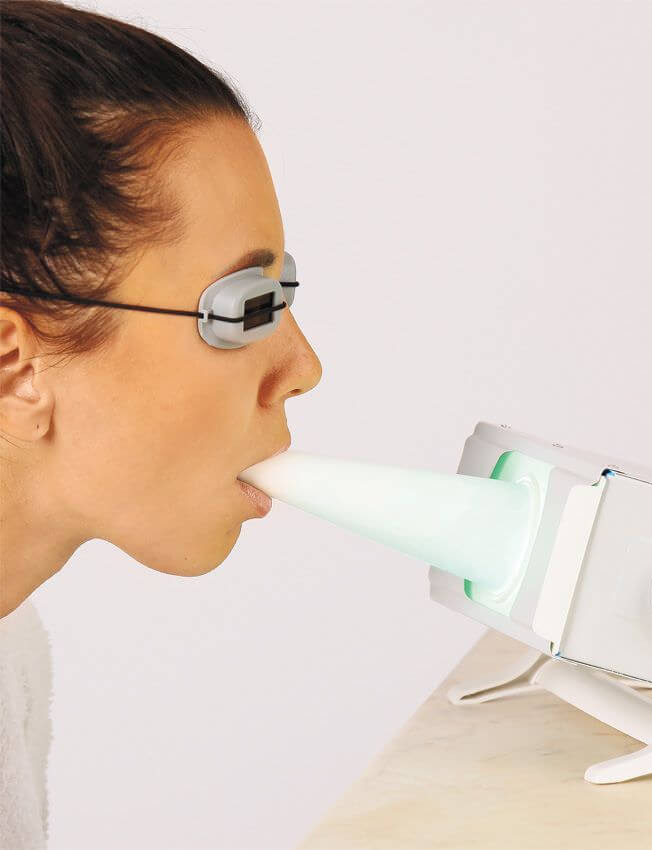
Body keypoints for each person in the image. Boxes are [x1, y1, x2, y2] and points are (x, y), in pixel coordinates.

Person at [0, 2, 323, 845]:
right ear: (13, 364)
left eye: (283, 293)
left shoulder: (11, 652)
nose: (303, 367)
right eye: (245, 308)